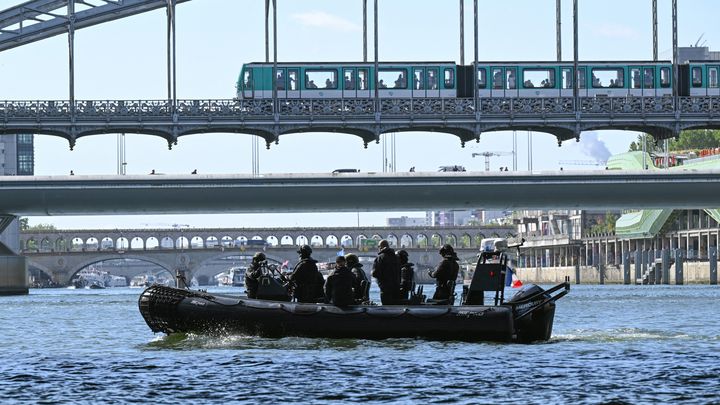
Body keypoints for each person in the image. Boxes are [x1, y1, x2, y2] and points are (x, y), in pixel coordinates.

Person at [371, 240, 400, 305]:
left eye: (378, 246)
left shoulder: (380, 257)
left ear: (381, 247)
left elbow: (375, 273)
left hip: (385, 288)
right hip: (396, 287)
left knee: (386, 306)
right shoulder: (396, 257)